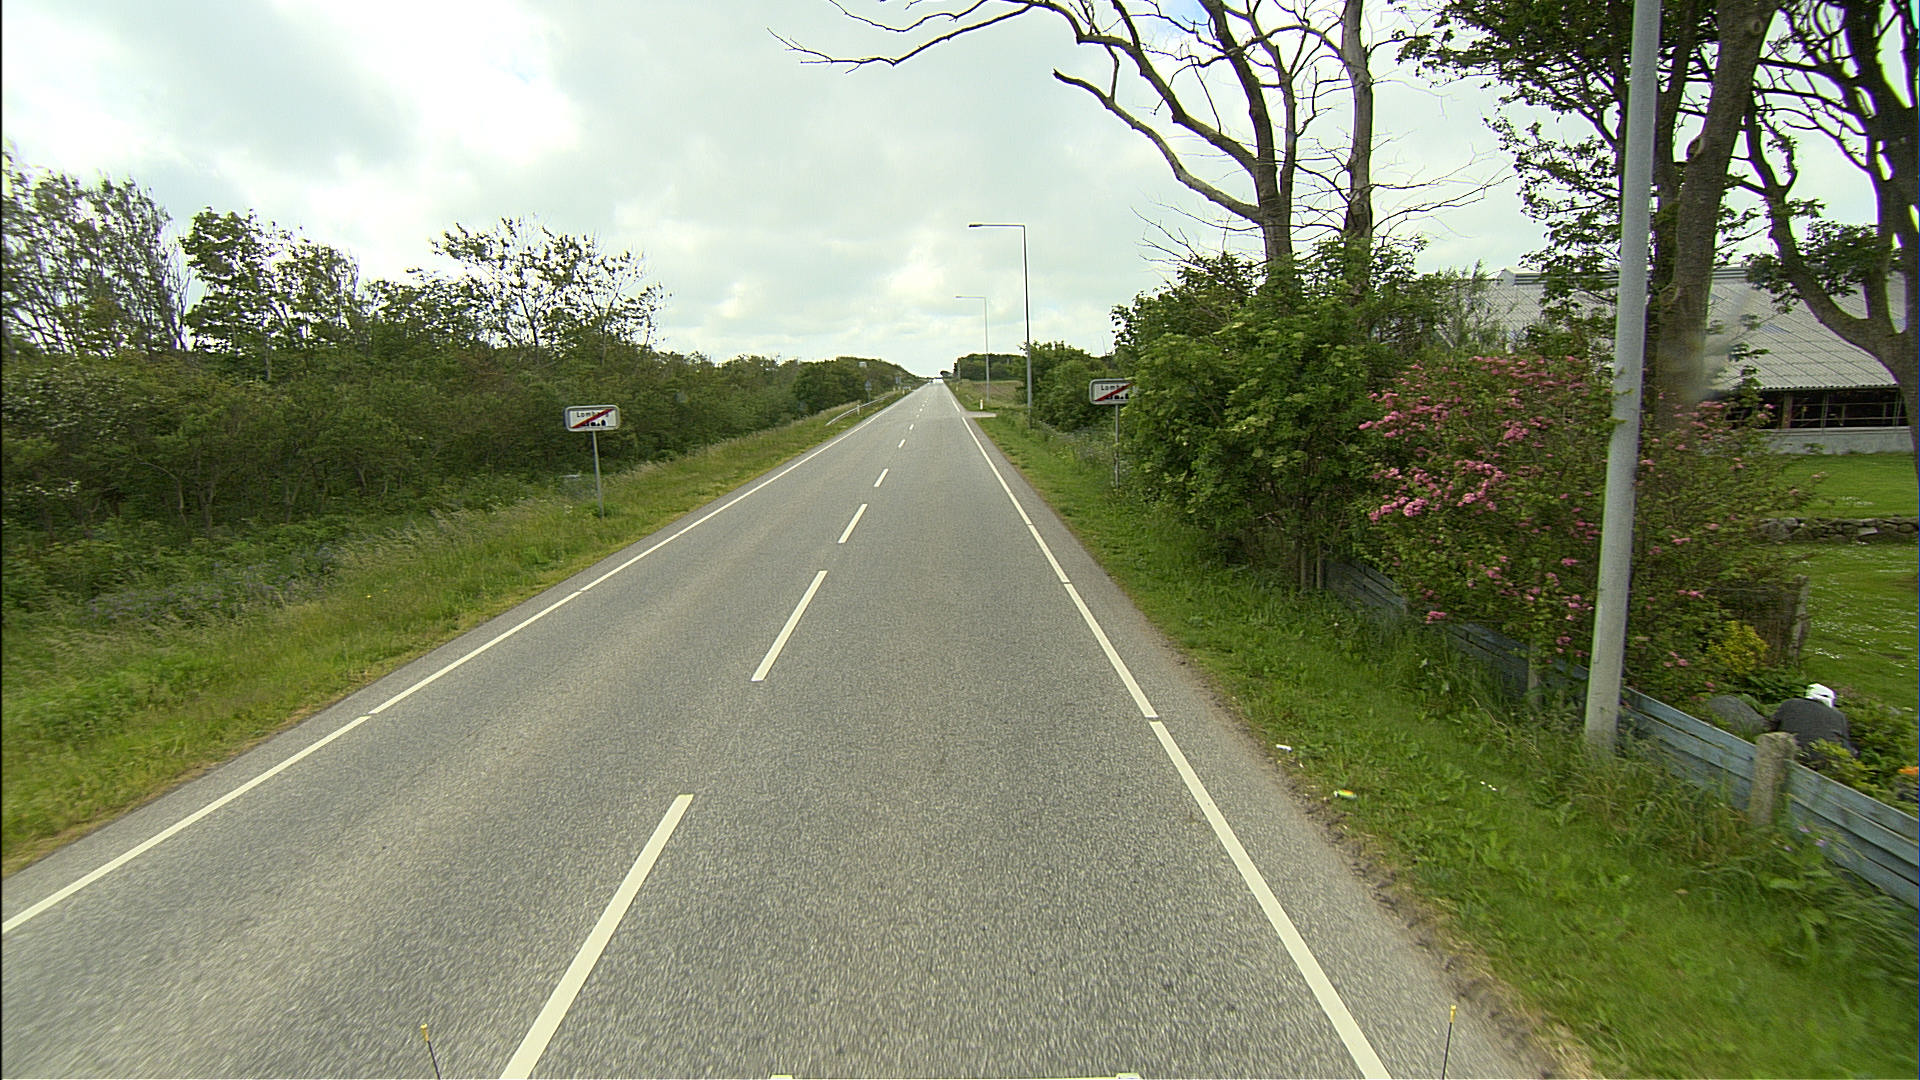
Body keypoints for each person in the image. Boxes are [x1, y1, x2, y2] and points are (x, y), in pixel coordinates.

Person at [1767, 683, 1857, 767]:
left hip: (1787, 751)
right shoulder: (1839, 716)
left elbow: (1772, 725)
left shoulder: (1790, 703)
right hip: (1823, 761)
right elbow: (1845, 743)